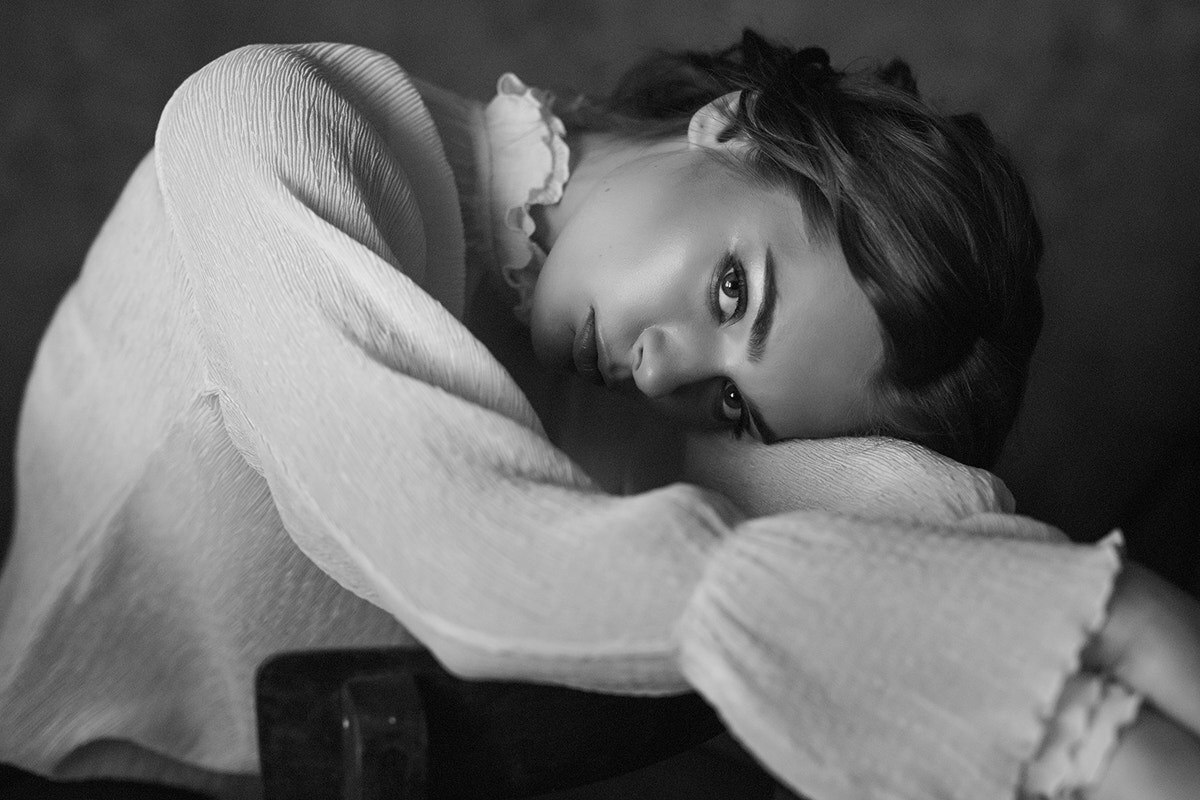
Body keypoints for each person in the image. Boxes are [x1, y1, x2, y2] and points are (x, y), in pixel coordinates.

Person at [0, 28, 1197, 800]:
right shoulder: (272, 121)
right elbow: (460, 542)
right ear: (730, 128)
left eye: (734, 403)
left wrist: (1081, 604)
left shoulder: (611, 378)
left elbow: (878, 503)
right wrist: (1087, 649)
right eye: (733, 291)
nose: (664, 370)